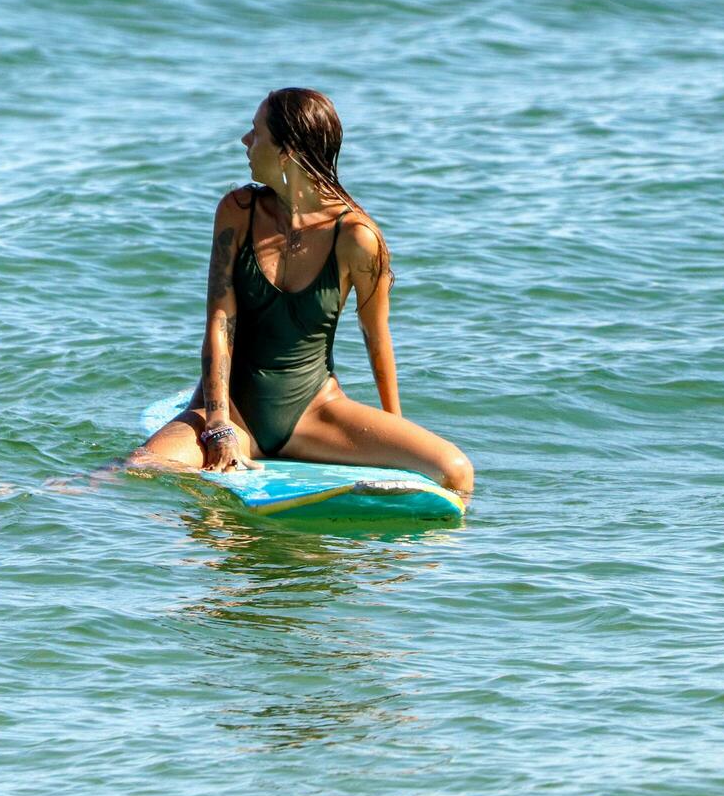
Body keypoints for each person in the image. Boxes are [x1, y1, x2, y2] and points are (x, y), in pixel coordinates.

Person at [132, 88, 474, 497]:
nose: (244, 141)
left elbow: (377, 337)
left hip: (314, 413)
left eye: (255, 132)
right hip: (233, 412)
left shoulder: (357, 237)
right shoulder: (238, 212)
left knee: (456, 472)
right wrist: (218, 425)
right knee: (141, 468)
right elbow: (220, 323)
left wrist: (395, 438)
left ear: (286, 152)